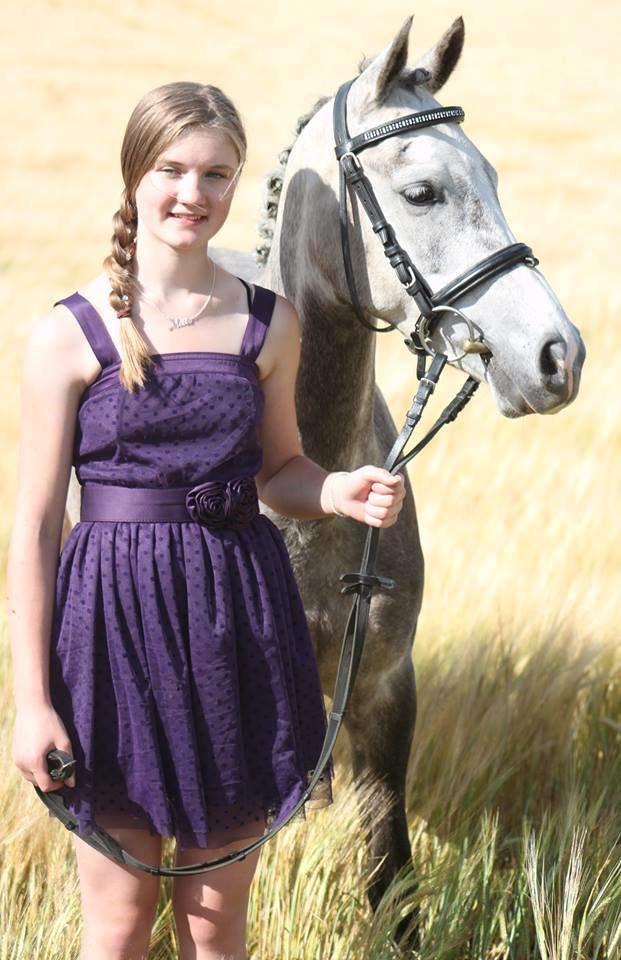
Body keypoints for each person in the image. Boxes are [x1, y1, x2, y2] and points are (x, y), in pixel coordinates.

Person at [7, 81, 406, 960]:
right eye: (172, 170)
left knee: (217, 925)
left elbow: (279, 469)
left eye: (217, 174)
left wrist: (336, 490)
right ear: (133, 175)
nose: (194, 193)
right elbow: (35, 527)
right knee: (116, 926)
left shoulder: (267, 323)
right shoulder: (70, 332)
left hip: (236, 628)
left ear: (236, 182)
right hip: (110, 637)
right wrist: (31, 702)